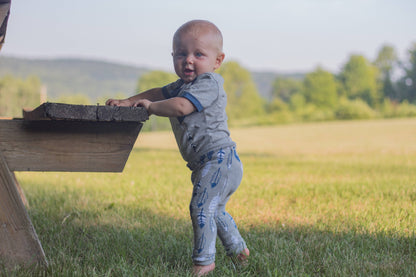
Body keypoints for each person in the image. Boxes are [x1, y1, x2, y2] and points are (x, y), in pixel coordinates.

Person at [106, 19, 249, 276]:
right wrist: (130, 101)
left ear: (217, 61)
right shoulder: (181, 86)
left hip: (219, 160)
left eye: (198, 54)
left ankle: (204, 262)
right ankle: (238, 249)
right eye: (181, 54)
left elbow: (181, 106)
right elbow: (161, 92)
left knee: (201, 207)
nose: (188, 60)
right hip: (209, 163)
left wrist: (150, 107)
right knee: (215, 209)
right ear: (173, 56)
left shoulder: (209, 83)